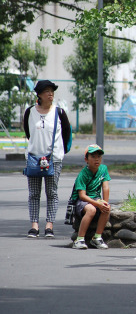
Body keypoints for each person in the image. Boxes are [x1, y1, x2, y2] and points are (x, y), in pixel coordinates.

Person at [23, 80, 71, 238]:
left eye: (52, 91)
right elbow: (28, 132)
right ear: (39, 95)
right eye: (47, 91)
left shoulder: (59, 112)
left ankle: (49, 226)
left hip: (53, 159)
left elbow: (66, 134)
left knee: (52, 192)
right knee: (34, 193)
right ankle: (34, 226)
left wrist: (60, 151)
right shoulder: (30, 112)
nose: (50, 94)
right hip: (33, 158)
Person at [70, 144, 111, 250]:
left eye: (99, 157)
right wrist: (97, 204)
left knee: (107, 208)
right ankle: (79, 239)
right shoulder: (83, 174)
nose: (96, 159)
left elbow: (105, 187)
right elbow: (82, 195)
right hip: (82, 201)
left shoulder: (103, 169)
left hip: (96, 199)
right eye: (93, 156)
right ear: (86, 159)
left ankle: (97, 238)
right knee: (91, 209)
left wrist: (104, 203)